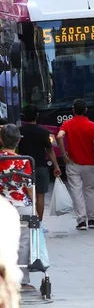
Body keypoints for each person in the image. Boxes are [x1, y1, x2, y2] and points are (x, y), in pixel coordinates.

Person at [56, 99, 94, 230]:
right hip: (89, 163)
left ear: (73, 111)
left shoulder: (67, 124)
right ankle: (92, 220)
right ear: (86, 110)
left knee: (76, 191)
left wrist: (63, 153)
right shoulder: (91, 125)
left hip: (73, 163)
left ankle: (81, 220)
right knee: (90, 191)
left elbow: (59, 136)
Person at [0, 124, 35, 294]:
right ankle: (22, 280)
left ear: (1, 140)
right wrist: (34, 206)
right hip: (22, 207)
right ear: (18, 140)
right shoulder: (25, 161)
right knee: (23, 244)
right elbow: (29, 187)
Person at [18, 105, 62, 221]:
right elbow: (50, 150)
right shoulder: (43, 132)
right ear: (37, 116)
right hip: (41, 167)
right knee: (40, 195)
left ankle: (28, 220)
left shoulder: (19, 132)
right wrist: (56, 166)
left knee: (26, 195)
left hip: (23, 168)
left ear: (24, 116)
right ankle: (39, 223)